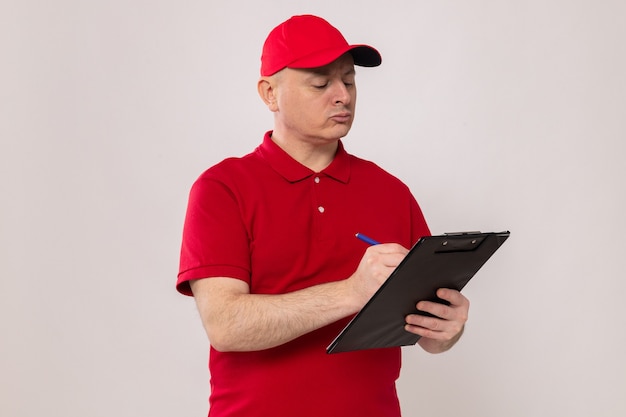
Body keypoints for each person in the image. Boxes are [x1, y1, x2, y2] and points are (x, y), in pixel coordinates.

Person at [177, 14, 470, 417]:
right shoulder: (223, 188)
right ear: (270, 94)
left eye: (348, 81)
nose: (342, 96)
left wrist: (446, 329)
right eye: (320, 83)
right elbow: (225, 325)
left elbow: (428, 332)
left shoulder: (391, 192)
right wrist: (352, 291)